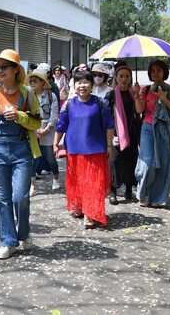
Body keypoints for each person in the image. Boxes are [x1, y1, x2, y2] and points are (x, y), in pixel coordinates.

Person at [0, 49, 41, 259]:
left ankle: (24, 233)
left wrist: (20, 116)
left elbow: (37, 122)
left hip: (22, 149)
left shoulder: (27, 94)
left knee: (20, 196)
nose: (0, 70)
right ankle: (8, 241)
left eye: (4, 67)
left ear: (15, 69)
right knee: (2, 199)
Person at [53, 70, 114, 229]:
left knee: (93, 183)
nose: (82, 85)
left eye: (86, 82)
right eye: (79, 82)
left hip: (95, 150)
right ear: (74, 85)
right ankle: (79, 206)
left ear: (92, 85)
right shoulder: (69, 104)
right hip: (74, 149)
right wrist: (55, 143)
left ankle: (90, 213)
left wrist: (109, 145)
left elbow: (109, 126)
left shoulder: (101, 103)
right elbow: (61, 126)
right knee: (77, 181)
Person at [133, 60, 170, 208]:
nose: (156, 73)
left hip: (164, 129)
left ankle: (158, 198)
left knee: (163, 164)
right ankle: (143, 193)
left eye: (159, 70)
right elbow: (140, 110)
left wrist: (164, 98)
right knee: (146, 162)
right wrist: (136, 95)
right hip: (147, 128)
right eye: (153, 70)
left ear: (164, 72)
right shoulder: (145, 90)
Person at [104, 66, 141, 205]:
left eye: (127, 76)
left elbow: (139, 111)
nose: (124, 79)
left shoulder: (134, 93)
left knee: (131, 160)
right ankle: (112, 192)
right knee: (114, 162)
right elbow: (106, 116)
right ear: (116, 78)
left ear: (130, 78)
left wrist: (138, 95)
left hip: (131, 132)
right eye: (121, 76)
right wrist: (111, 133)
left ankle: (128, 189)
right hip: (115, 133)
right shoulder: (111, 95)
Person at [25, 69, 60, 196]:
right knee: (33, 158)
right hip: (32, 130)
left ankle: (55, 177)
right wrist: (33, 129)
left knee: (50, 157)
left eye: (35, 80)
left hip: (48, 130)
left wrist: (46, 129)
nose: (32, 83)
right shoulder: (28, 95)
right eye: (31, 80)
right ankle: (32, 186)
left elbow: (54, 116)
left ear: (42, 82)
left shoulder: (51, 96)